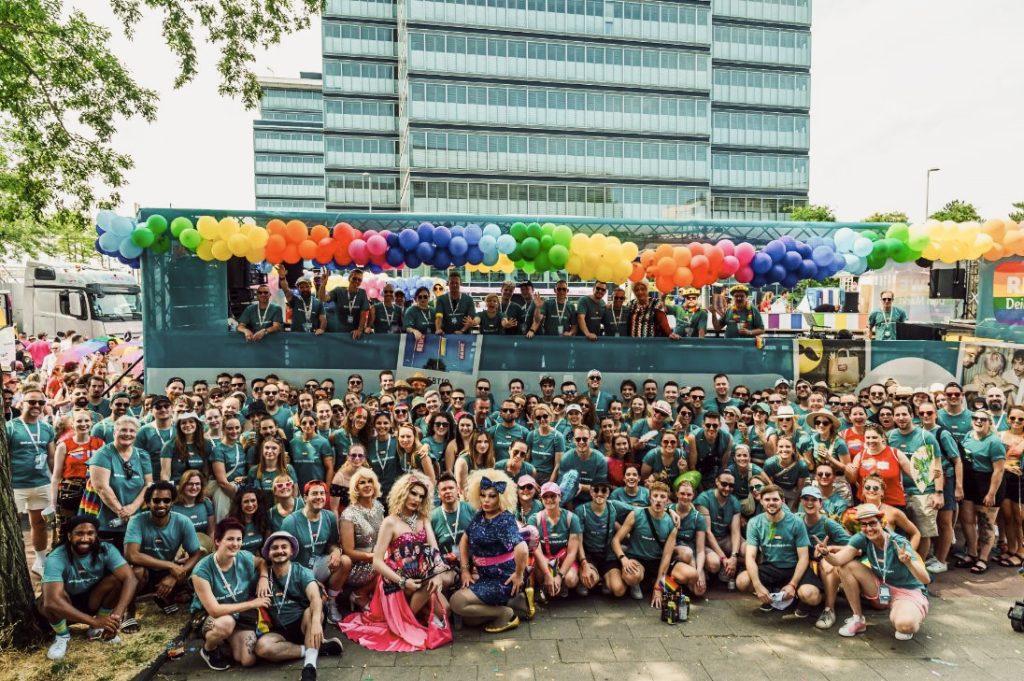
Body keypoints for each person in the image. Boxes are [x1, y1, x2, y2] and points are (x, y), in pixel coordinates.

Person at [339, 472, 452, 651]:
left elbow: (434, 550)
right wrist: (402, 580)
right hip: (395, 581)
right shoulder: (390, 522)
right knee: (428, 586)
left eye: (421, 496)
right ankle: (406, 620)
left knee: (446, 609)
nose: (416, 499)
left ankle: (410, 613)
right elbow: (377, 561)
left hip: (420, 577)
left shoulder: (423, 519)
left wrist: (438, 574)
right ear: (403, 492)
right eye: (413, 493)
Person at [822, 503, 931, 640]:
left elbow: (925, 579)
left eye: (873, 523)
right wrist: (826, 554)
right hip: (881, 586)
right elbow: (838, 560)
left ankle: (907, 613)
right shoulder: (862, 537)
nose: (868, 528)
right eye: (864, 524)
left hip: (908, 591)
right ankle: (858, 619)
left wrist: (908, 562)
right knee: (845, 566)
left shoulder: (898, 542)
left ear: (882, 523)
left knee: (904, 626)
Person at [41, 516, 138, 661]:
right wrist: (93, 621)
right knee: (46, 600)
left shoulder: (106, 549)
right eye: (79, 534)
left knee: (117, 580)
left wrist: (117, 615)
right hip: (65, 606)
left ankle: (96, 630)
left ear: (96, 535)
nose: (85, 538)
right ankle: (62, 636)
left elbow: (131, 579)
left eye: (90, 533)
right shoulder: (57, 556)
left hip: (93, 600)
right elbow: (51, 602)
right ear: (69, 536)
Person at [252, 532, 345, 681]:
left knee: (313, 611)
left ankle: (309, 668)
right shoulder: (263, 578)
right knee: (261, 648)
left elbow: (315, 597)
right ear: (268, 553)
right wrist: (262, 575)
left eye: (284, 547)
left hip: (304, 624)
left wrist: (315, 622)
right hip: (279, 630)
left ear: (291, 551)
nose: (279, 551)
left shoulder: (301, 571)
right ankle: (316, 649)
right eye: (274, 548)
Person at [450, 469, 532, 632]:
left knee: (457, 602)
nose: (486, 500)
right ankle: (517, 602)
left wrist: (519, 575)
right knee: (470, 619)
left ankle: (505, 613)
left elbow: (522, 549)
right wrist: (465, 570)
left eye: (492, 496)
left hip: (503, 580)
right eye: (483, 495)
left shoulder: (504, 520)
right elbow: (464, 541)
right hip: (486, 577)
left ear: (501, 497)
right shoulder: (480, 515)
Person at [190, 517, 270, 671]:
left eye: (239, 539)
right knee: (226, 623)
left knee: (247, 660)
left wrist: (263, 578)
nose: (235, 544)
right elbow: (215, 610)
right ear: (218, 541)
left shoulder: (243, 557)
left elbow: (261, 562)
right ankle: (209, 649)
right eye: (230, 539)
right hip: (211, 615)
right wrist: (253, 604)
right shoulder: (202, 571)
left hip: (239, 612)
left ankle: (227, 641)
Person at [737, 484, 822, 619]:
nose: (771, 503)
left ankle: (800, 599)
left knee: (811, 596)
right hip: (771, 567)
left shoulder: (796, 522)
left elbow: (804, 557)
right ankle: (771, 595)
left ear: (782, 501)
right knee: (742, 581)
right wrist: (758, 586)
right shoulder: (755, 523)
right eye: (767, 500)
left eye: (775, 500)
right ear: (761, 501)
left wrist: (792, 584)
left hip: (794, 567)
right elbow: (750, 557)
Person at [125, 480, 205, 614]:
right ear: (148, 503)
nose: (161, 505)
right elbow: (131, 555)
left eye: (166, 500)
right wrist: (170, 565)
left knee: (195, 567)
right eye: (156, 501)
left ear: (172, 502)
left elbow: (197, 553)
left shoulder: (183, 521)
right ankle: (130, 612)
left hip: (167, 571)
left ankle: (167, 597)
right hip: (145, 571)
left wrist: (175, 574)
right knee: (137, 571)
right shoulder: (137, 520)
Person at [281, 480, 350, 622]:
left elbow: (332, 544)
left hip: (318, 564)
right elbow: (283, 558)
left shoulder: (329, 516)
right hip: (297, 569)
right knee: (311, 608)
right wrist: (308, 579)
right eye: (314, 493)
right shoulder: (290, 521)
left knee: (345, 561)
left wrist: (336, 552)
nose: (319, 497)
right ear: (305, 498)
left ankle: (331, 602)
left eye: (322, 493)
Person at [607, 481, 685, 605]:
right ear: (650, 498)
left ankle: (656, 582)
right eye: (655, 496)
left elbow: (666, 556)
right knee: (631, 577)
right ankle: (637, 583)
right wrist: (623, 559)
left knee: (690, 574)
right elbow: (616, 540)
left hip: (657, 561)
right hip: (638, 559)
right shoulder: (637, 514)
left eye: (662, 497)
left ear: (667, 501)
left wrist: (658, 588)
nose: (658, 500)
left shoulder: (671, 522)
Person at [8, 386, 56, 575]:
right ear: (21, 404)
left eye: (41, 402)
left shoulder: (47, 428)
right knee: (11, 526)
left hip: (41, 483)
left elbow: (51, 457)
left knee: (40, 524)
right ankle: (11, 565)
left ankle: (40, 562)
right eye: (32, 402)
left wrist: (54, 482)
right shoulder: (10, 427)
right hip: (16, 486)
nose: (37, 405)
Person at [887, 403, 944, 563]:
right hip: (898, 492)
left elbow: (937, 466)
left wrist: (938, 493)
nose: (901, 418)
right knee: (902, 532)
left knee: (923, 532)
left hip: (924, 492)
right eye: (897, 415)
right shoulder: (890, 436)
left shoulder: (926, 437)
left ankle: (920, 566)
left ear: (912, 415)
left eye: (904, 414)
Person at [88, 416, 154, 550]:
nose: (127, 434)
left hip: (136, 520)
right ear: (114, 432)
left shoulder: (143, 455)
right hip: (107, 522)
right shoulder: (102, 454)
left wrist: (132, 508)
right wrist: (121, 512)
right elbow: (101, 488)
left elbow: (148, 484)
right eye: (123, 430)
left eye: (132, 431)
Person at [957, 409, 1006, 574]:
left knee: (986, 523)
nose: (978, 421)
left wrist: (991, 493)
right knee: (967, 520)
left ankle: (983, 558)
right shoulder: (969, 436)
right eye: (975, 418)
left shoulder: (994, 442)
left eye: (983, 419)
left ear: (989, 422)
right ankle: (971, 553)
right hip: (970, 481)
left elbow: (999, 470)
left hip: (988, 482)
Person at [797, 485, 851, 630]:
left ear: (820, 503)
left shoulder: (828, 523)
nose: (809, 503)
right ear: (801, 502)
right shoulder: (797, 519)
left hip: (822, 563)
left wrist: (830, 549)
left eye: (814, 500)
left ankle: (829, 609)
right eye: (806, 499)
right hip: (802, 562)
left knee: (827, 565)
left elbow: (853, 546)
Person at [340, 468, 386, 611]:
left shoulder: (378, 506)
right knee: (391, 566)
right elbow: (348, 551)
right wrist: (375, 557)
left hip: (378, 558)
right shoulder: (349, 514)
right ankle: (359, 593)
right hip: (358, 566)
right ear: (356, 488)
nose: (367, 485)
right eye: (362, 483)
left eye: (370, 481)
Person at [529, 482, 582, 599]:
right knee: (538, 570)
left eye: (553, 496)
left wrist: (559, 576)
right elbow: (536, 550)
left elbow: (572, 552)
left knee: (571, 580)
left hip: (563, 557)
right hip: (544, 558)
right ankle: (545, 584)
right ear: (541, 499)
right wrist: (547, 574)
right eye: (545, 496)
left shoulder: (571, 518)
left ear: (560, 497)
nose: (549, 500)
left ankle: (561, 584)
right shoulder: (534, 519)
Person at [51, 408, 104, 525]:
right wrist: (52, 504)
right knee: (67, 529)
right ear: (72, 424)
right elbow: (56, 477)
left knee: (91, 526)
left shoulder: (100, 444)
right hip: (69, 492)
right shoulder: (64, 445)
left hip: (93, 491)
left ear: (92, 423)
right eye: (79, 421)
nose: (83, 424)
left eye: (86, 421)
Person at [694, 471, 743, 588]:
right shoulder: (704, 499)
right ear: (716, 482)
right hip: (706, 541)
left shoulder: (734, 501)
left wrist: (734, 556)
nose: (727, 488)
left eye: (731, 486)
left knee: (747, 549)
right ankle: (716, 567)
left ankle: (736, 568)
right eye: (724, 484)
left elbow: (735, 532)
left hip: (724, 538)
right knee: (714, 564)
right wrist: (724, 558)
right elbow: (707, 532)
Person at [161, 411, 213, 482]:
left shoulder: (206, 444)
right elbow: (165, 474)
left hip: (197, 487)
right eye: (183, 423)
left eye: (191, 421)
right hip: (177, 487)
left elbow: (206, 471)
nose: (187, 425)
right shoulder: (169, 446)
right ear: (179, 426)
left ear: (197, 424)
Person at [289, 411, 335, 489]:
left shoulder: (323, 442)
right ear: (300, 424)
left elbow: (329, 468)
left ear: (316, 423)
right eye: (304, 423)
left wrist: (326, 489)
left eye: (311, 423)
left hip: (317, 489)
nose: (307, 426)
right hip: (298, 489)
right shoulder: (293, 443)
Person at [228, 485, 270, 553]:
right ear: (239, 504)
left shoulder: (263, 520)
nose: (250, 505)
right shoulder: (231, 524)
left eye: (253, 500)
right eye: (246, 501)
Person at [434, 271, 476, 335]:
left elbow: (469, 320)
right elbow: (439, 317)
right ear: (448, 284)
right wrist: (438, 329)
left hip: (464, 336)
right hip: (446, 336)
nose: (454, 285)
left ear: (460, 283)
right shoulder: (441, 299)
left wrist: (462, 331)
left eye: (457, 283)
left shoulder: (469, 299)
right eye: (452, 283)